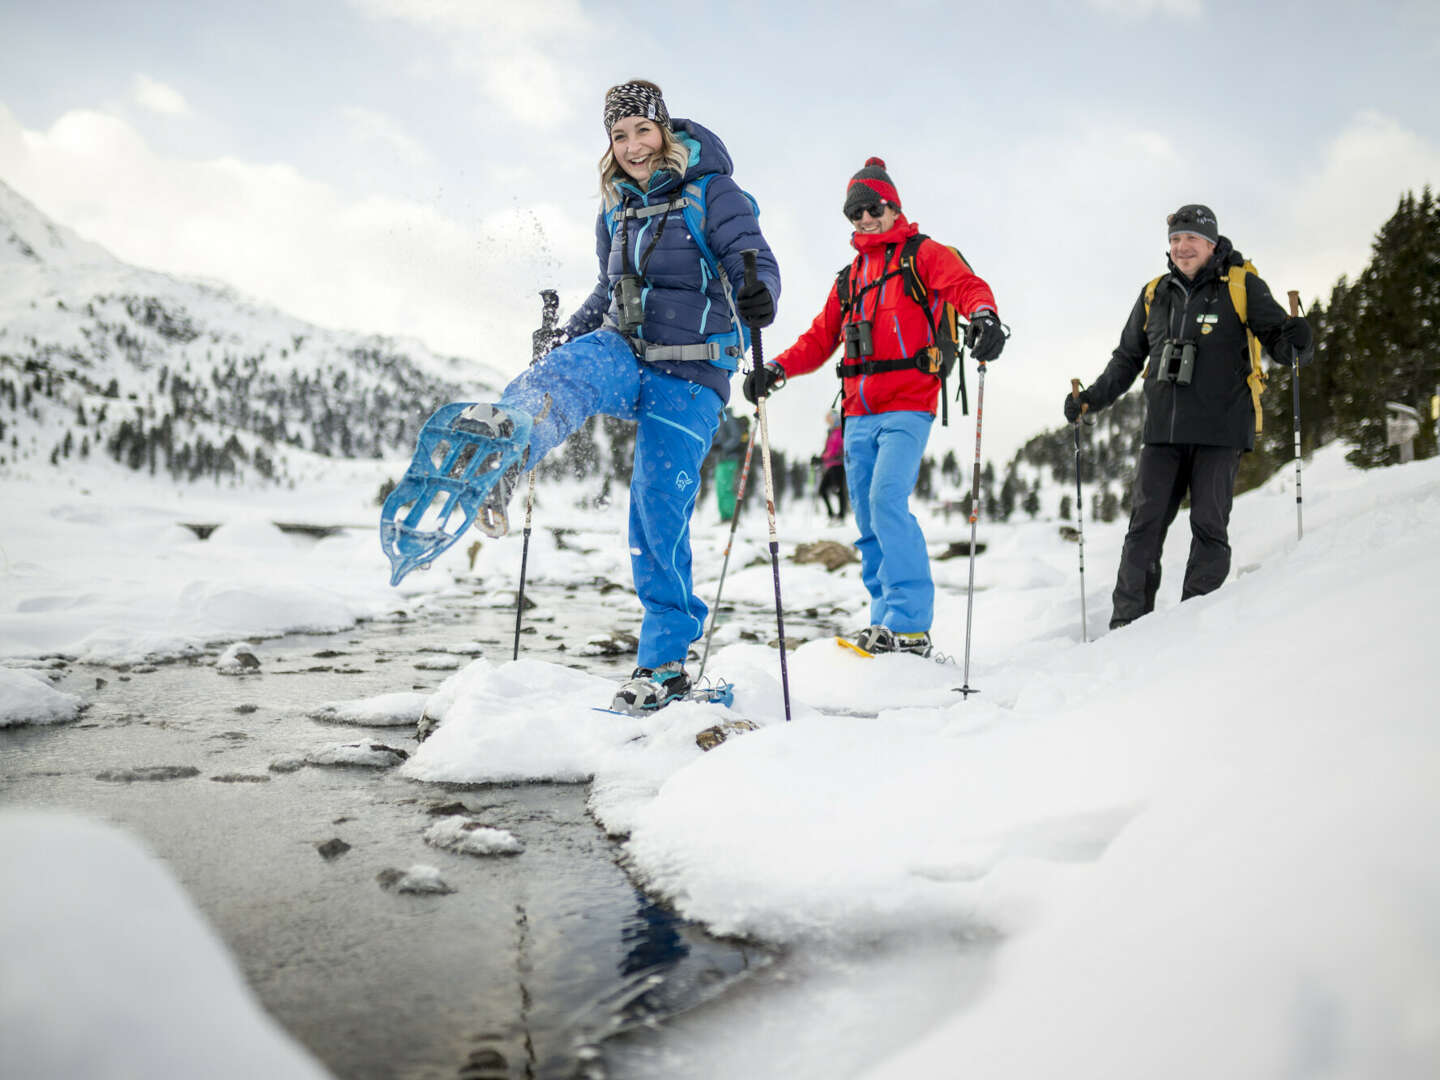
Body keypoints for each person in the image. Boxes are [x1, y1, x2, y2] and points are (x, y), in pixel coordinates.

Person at [461, 79, 779, 710]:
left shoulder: (713, 191)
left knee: (655, 511)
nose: (632, 145)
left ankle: (663, 667)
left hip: (692, 375)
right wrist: (564, 334)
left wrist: (758, 290)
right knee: (570, 368)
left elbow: (753, 256)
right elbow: (608, 293)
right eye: (619, 135)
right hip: (629, 353)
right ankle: (506, 446)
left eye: (642, 130)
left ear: (664, 128)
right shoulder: (615, 207)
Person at [746, 157, 1003, 657]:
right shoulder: (850, 277)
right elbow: (820, 339)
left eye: (872, 208)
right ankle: (882, 622)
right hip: (858, 413)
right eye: (854, 213)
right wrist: (775, 370)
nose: (864, 219)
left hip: (909, 403)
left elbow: (966, 288)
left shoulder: (922, 254)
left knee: (888, 502)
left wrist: (985, 316)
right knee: (866, 518)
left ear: (893, 205)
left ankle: (911, 627)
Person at [1064, 204, 1312, 630]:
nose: (1181, 248)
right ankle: (1127, 627)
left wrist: (1299, 342)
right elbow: (1127, 359)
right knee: (1143, 529)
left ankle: (1194, 630)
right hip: (1163, 432)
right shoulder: (1153, 294)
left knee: (1208, 526)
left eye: (1191, 239)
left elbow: (1281, 345)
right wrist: (1090, 399)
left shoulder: (1242, 285)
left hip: (1221, 430)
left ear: (1211, 242)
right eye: (1175, 240)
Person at [710, 406, 747, 522]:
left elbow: (736, 437)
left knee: (726, 488)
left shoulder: (728, 418)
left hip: (729, 459)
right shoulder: (721, 419)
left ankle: (731, 517)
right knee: (721, 489)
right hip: (722, 460)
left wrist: (722, 447)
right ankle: (725, 517)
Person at [817, 410, 847, 520]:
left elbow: (835, 450)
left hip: (839, 464)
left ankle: (841, 515)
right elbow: (827, 449)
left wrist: (822, 458)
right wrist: (820, 457)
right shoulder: (831, 433)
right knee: (822, 490)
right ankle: (831, 514)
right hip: (830, 465)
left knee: (839, 490)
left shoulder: (840, 432)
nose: (829, 423)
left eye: (830, 420)